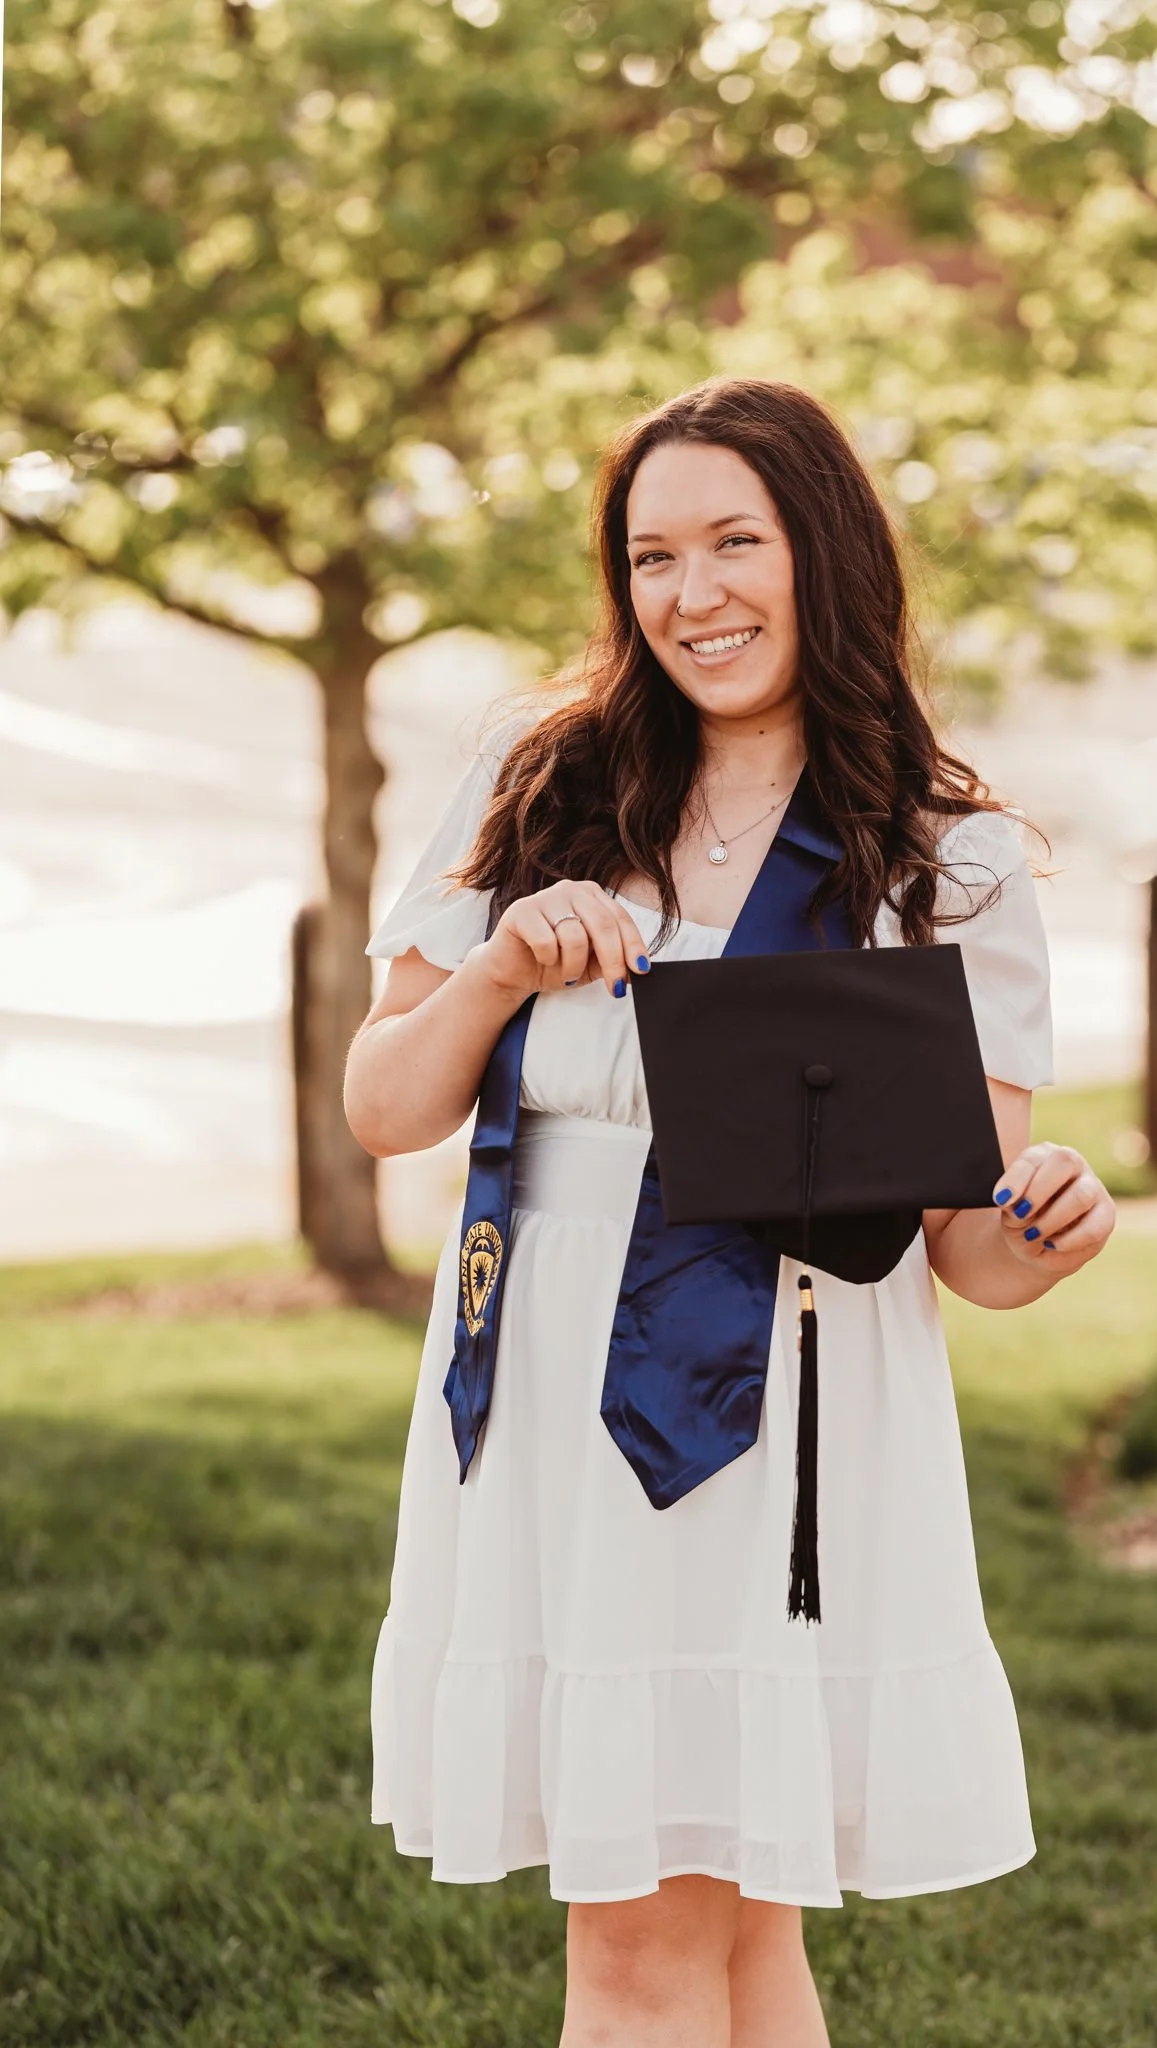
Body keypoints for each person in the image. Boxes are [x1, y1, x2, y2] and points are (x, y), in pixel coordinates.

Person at [344, 377, 1117, 2048]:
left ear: (820, 554)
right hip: (547, 1400)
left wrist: (1051, 1219)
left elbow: (967, 1243)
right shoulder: (538, 776)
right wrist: (497, 965)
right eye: (649, 556)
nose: (691, 596)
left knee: (667, 1944)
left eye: (733, 544)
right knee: (712, 1939)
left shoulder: (938, 857)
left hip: (786, 1421)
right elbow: (386, 1108)